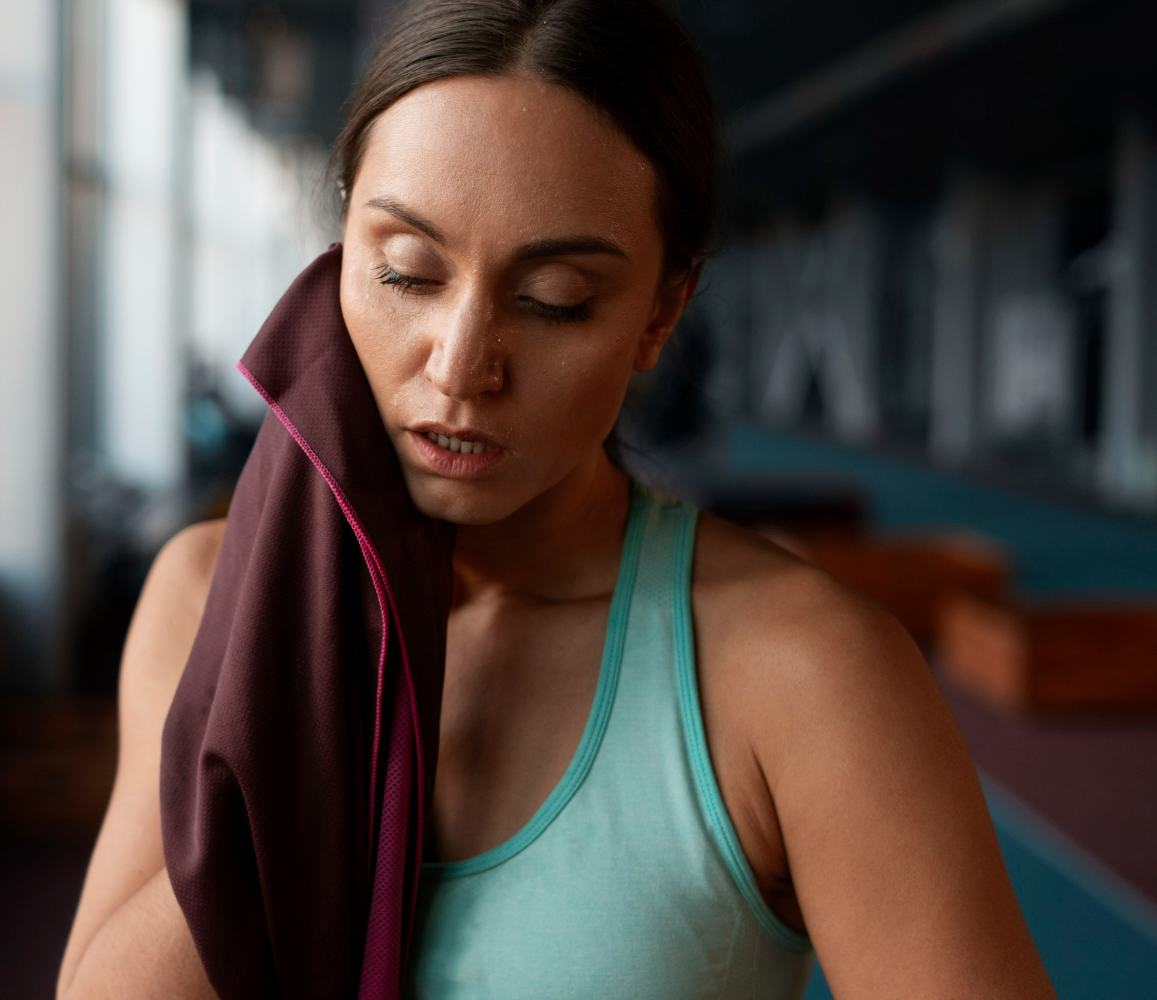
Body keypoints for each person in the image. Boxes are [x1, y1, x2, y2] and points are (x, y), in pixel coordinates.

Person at [57, 1, 1056, 997]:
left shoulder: (800, 675)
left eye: (554, 299)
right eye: (406, 272)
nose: (460, 366)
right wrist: (296, 639)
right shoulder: (202, 595)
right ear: (339, 249)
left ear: (661, 313)